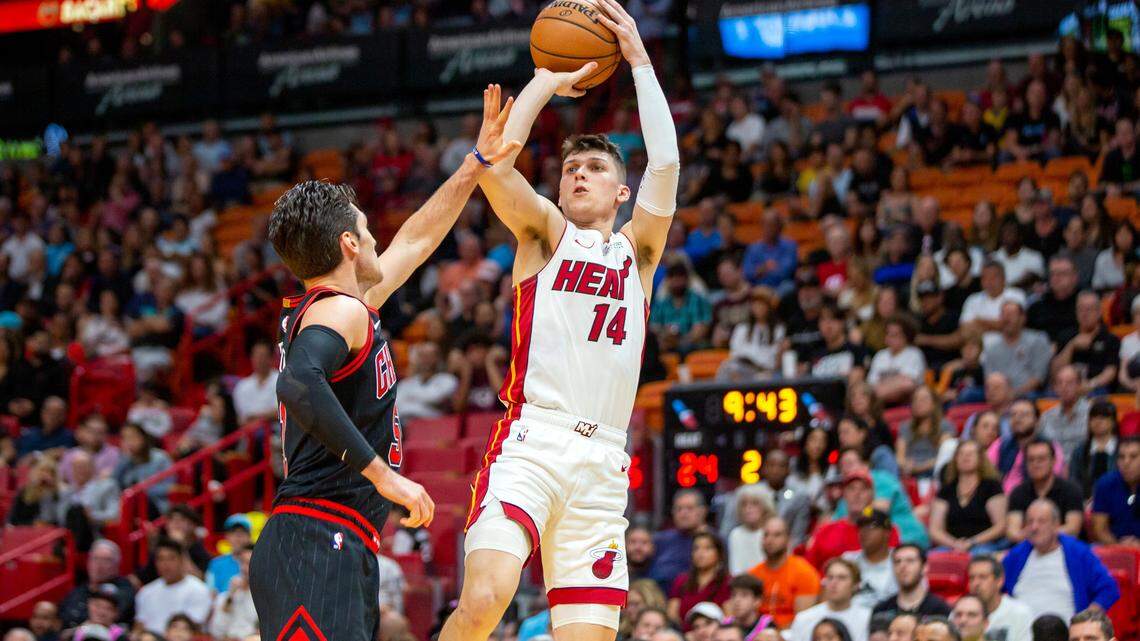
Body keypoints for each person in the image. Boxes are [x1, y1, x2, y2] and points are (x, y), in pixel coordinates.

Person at [250, 85, 520, 641]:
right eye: (369, 229)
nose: (378, 239)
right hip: (316, 537)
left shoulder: (341, 305)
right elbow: (297, 384)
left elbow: (416, 239)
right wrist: (384, 475)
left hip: (330, 540)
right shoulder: (340, 312)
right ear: (350, 243)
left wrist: (475, 164)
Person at [442, 10, 680, 639]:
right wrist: (545, 80)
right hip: (533, 443)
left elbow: (666, 165)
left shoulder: (639, 252)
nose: (579, 173)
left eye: (596, 168)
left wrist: (639, 61)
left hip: (604, 462)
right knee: (485, 598)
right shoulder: (545, 233)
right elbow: (496, 167)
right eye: (572, 167)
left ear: (622, 194)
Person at [1003, 500, 1120, 621]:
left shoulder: (1078, 553)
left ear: (1056, 525)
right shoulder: (1016, 555)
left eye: (1041, 521)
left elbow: (1108, 589)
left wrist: (1085, 620)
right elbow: (997, 586)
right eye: (1030, 521)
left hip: (1065, 629)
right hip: (1020, 629)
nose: (1034, 527)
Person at [806, 468, 900, 569]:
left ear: (872, 495)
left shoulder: (885, 531)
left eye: (863, 489)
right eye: (851, 489)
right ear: (844, 494)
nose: (857, 494)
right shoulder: (825, 531)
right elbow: (808, 569)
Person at [929, 440, 1008, 553]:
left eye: (971, 453)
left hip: (984, 545)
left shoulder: (992, 487)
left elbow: (1000, 526)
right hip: (951, 545)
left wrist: (972, 542)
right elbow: (935, 529)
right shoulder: (946, 489)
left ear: (980, 459)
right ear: (955, 459)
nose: (965, 457)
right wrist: (954, 544)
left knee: (980, 556)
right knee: (933, 556)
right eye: (961, 453)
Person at [1006, 439, 1085, 544]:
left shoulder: (1071, 490)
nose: (1035, 464)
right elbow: (1012, 532)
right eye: (1031, 460)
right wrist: (1041, 535)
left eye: (1041, 459)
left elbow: (1073, 529)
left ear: (1053, 461)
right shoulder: (1018, 492)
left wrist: (1038, 534)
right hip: (1028, 547)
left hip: (1064, 546)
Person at [747, 517, 821, 630]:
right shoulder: (753, 574)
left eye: (777, 535)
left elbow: (803, 621)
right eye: (766, 535)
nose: (770, 540)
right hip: (755, 633)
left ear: (788, 539)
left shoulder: (804, 573)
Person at [134, 539, 213, 634]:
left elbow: (195, 628)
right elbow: (139, 626)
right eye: (161, 559)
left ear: (182, 560)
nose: (165, 564)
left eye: (171, 558)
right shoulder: (146, 592)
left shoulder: (199, 590)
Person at [990, 400, 1064, 494]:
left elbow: (1052, 479)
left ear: (1037, 421)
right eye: (1013, 415)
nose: (1017, 419)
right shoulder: (1000, 444)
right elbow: (988, 473)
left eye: (1024, 415)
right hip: (1001, 496)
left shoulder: (1049, 447)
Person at [980, 301, 1052, 397]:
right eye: (1003, 315)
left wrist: (1014, 394)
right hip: (998, 395)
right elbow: (989, 378)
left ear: (1022, 318)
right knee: (970, 394)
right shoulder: (991, 348)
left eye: (1011, 315)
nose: (1006, 319)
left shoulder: (1037, 341)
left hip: (1028, 394)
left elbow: (1038, 378)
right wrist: (1000, 394)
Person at [58, 540, 135, 628]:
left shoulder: (124, 589)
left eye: (106, 560)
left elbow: (112, 614)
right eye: (95, 559)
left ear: (117, 565)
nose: (99, 565)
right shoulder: (79, 590)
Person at [788, 559, 871, 641]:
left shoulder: (868, 618)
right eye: (830, 577)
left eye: (842, 578)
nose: (834, 583)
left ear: (855, 585)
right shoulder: (804, 618)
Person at [870, 545, 952, 619]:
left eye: (910, 560)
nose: (902, 566)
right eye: (897, 561)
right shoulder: (881, 611)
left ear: (924, 567)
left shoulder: (940, 610)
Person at [651, 490, 710, 593]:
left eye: (689, 508)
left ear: (702, 511)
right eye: (678, 509)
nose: (683, 513)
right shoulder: (660, 539)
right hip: (657, 596)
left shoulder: (714, 541)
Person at [667, 533, 731, 627]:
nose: (700, 553)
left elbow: (729, 617)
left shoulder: (728, 582)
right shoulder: (681, 580)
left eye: (707, 548)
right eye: (696, 548)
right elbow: (672, 614)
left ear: (719, 553)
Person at [967, 555, 1033, 641]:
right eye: (971, 578)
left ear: (999, 581)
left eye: (983, 577)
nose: (976, 583)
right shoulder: (960, 614)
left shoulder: (1020, 613)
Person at [842, 509, 898, 609]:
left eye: (872, 526)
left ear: (887, 532)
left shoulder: (900, 560)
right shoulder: (848, 560)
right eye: (861, 526)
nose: (864, 531)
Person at [1090, 436, 1140, 545]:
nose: (1126, 462)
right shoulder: (1105, 484)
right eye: (1121, 457)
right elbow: (1100, 530)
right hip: (1114, 547)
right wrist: (1119, 547)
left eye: (1133, 456)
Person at [1038, 366, 1091, 465]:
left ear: (1079, 385)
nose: (1064, 387)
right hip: (1053, 469)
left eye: (1069, 383)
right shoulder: (1046, 417)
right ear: (1054, 388)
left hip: (1083, 467)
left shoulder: (1091, 413)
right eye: (1059, 383)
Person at [1070, 399, 1120, 498]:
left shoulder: (1122, 450)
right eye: (1093, 417)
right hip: (1086, 501)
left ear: (1113, 421)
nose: (1097, 421)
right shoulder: (1079, 451)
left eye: (1103, 417)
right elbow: (1074, 481)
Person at [209, 545, 258, 641]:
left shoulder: (264, 598)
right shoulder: (226, 596)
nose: (244, 568)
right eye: (242, 562)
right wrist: (231, 596)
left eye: (249, 563)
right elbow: (216, 631)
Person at [726, 484, 775, 575]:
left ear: (765, 507)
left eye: (755, 503)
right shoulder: (735, 534)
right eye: (743, 504)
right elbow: (735, 571)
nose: (748, 508)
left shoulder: (772, 532)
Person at [231, 341, 279, 424]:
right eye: (256, 356)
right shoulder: (242, 387)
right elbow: (242, 419)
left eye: (263, 356)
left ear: (271, 358)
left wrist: (258, 417)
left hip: (277, 428)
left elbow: (282, 412)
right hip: (252, 430)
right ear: (251, 358)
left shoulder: (280, 379)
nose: (260, 360)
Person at [205, 513, 253, 593]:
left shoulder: (257, 563)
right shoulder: (215, 564)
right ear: (226, 536)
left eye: (242, 533)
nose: (238, 537)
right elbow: (210, 592)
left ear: (249, 537)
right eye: (234, 532)